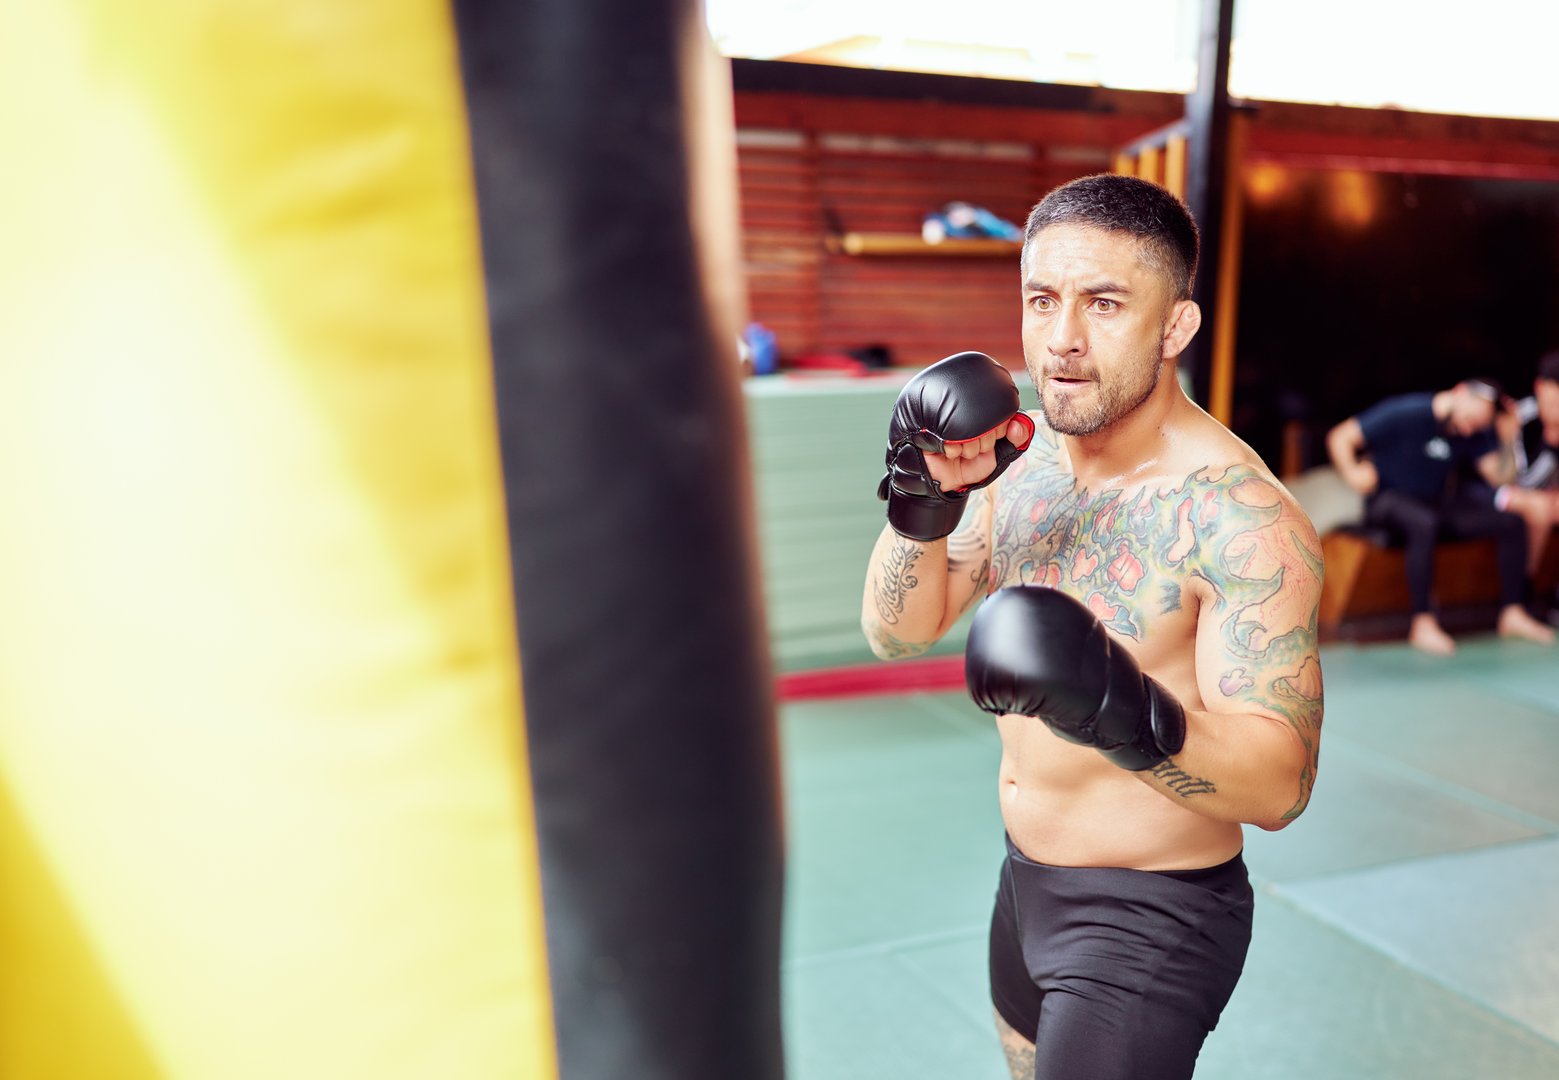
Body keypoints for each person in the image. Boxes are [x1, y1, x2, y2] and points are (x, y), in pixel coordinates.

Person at [861, 174, 1324, 1080]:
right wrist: (922, 506)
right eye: (1042, 300)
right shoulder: (1019, 464)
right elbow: (897, 632)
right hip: (1023, 884)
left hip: (1151, 919)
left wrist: (1113, 704)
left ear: (1174, 326)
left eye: (1104, 303)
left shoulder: (1238, 517)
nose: (1060, 340)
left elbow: (1280, 789)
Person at [1325, 378, 1555, 654]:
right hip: (1388, 502)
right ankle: (1423, 622)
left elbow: (1500, 478)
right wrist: (1353, 473)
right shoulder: (1407, 411)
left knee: (1510, 520)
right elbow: (1340, 437)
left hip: (1433, 504)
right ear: (1459, 393)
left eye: (1477, 426)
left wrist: (1508, 439)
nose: (1469, 428)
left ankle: (1513, 612)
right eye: (1470, 420)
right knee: (1423, 523)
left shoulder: (1471, 432)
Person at [1492, 350, 1559, 582]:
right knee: (1540, 507)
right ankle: (1522, 592)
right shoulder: (1521, 416)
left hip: (1543, 495)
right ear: (1540, 386)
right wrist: (1551, 442)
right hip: (1501, 490)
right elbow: (1517, 479)